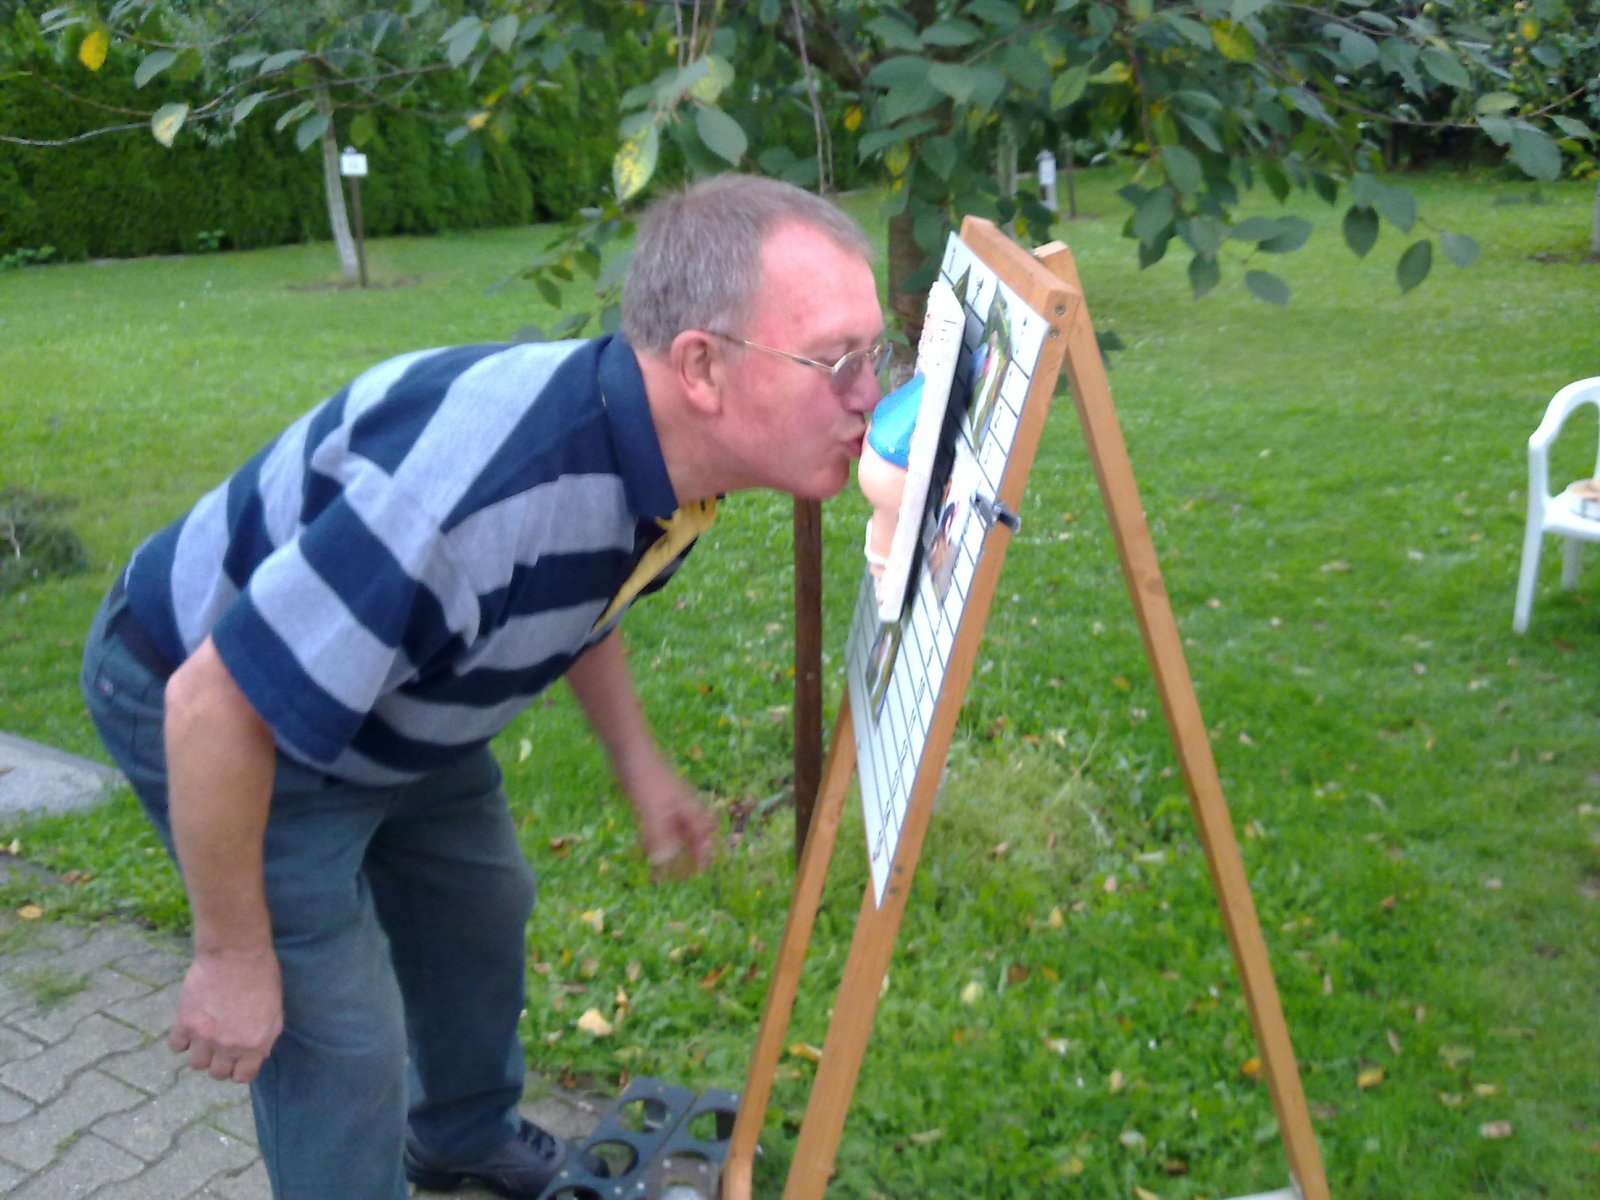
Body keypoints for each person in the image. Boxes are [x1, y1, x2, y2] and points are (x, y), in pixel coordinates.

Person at [79, 174, 887, 1200]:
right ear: (701, 368)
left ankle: (459, 1137)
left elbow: (580, 594)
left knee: (481, 903)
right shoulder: (470, 502)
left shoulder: (668, 466)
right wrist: (232, 956)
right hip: (226, 711)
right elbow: (212, 704)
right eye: (836, 361)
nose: (870, 395)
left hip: (383, 694)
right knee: (343, 1046)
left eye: (877, 354)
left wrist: (641, 768)